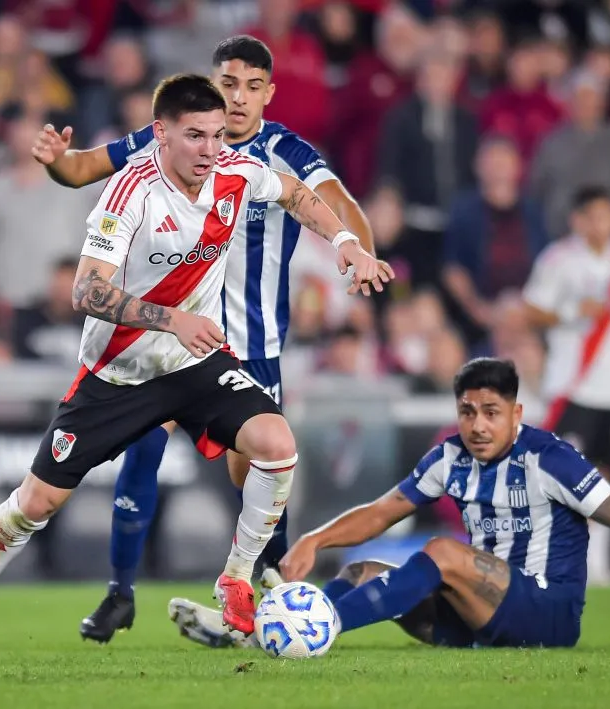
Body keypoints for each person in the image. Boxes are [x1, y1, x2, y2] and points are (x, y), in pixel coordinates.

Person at [0, 73, 387, 659]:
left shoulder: (235, 171)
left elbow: (295, 194)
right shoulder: (131, 192)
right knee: (33, 505)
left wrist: (344, 243)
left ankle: (235, 576)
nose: (211, 150)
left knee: (276, 443)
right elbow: (86, 291)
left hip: (193, 365)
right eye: (195, 137)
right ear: (161, 134)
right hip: (118, 374)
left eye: (216, 136)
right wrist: (170, 318)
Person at [30, 35, 391, 643]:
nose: (240, 98)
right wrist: (56, 160)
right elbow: (85, 167)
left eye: (253, 87)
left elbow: (337, 202)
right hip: (170, 337)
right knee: (142, 451)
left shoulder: (283, 152)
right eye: (230, 84)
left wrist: (358, 253)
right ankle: (121, 592)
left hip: (252, 339)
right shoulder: (178, 138)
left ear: (269, 95)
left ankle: (255, 589)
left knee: (257, 471)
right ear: (213, 88)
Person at [168, 358, 610, 651]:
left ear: (516, 414)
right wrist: (314, 539)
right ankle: (259, 629)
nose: (478, 425)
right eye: (468, 412)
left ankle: (310, 630)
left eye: (490, 412)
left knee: (442, 550)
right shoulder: (449, 456)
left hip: (548, 614)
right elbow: (381, 512)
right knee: (362, 570)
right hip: (482, 613)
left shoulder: (550, 458)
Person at [523, 186, 610, 586]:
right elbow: (531, 309)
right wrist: (573, 311)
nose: (600, 224)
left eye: (607, 215)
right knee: (563, 479)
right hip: (572, 386)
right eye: (592, 216)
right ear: (577, 219)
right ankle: (553, 563)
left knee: (606, 477)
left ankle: (601, 567)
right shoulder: (558, 260)